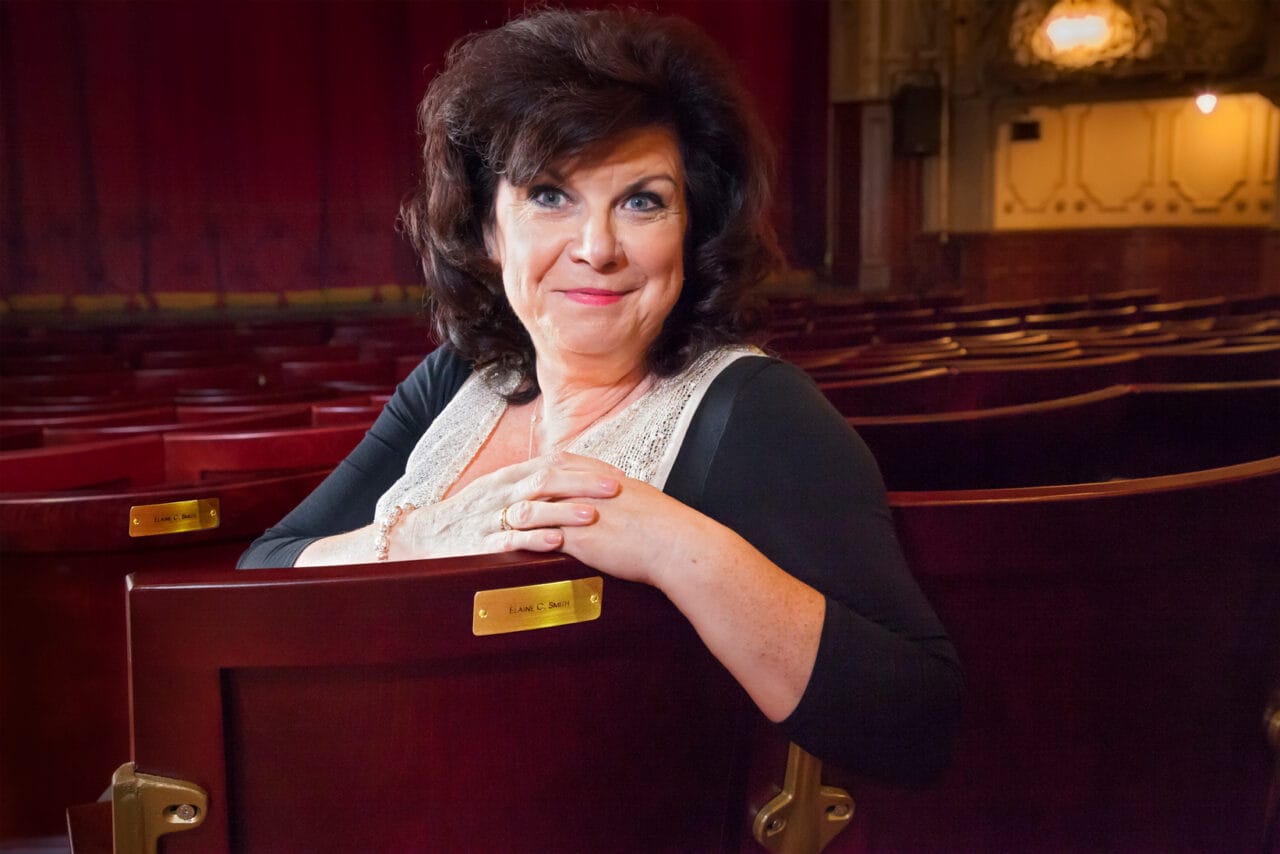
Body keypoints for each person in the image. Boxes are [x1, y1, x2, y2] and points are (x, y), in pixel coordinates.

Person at [239, 7, 962, 785]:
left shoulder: (755, 410)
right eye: (550, 195)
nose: (597, 248)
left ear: (693, 230)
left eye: (642, 201)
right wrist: (414, 540)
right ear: (488, 228)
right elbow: (263, 572)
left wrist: (676, 547)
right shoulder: (457, 380)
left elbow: (917, 724)